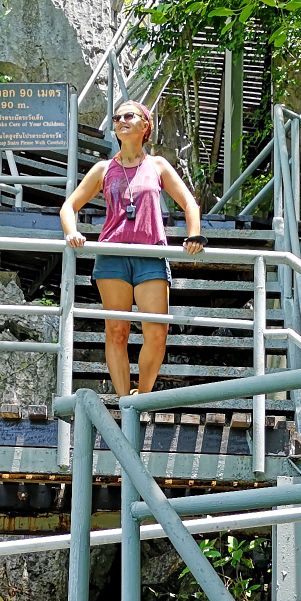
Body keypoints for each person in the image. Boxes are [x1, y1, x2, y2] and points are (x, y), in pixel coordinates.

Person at [59, 99, 204, 396]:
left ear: (145, 125)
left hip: (150, 254)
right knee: (116, 331)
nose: (121, 120)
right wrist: (72, 233)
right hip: (112, 256)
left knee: (156, 332)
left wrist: (194, 235)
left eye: (129, 115)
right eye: (116, 117)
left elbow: (189, 202)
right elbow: (68, 206)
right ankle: (125, 401)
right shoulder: (103, 169)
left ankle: (144, 395)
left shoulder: (158, 166)